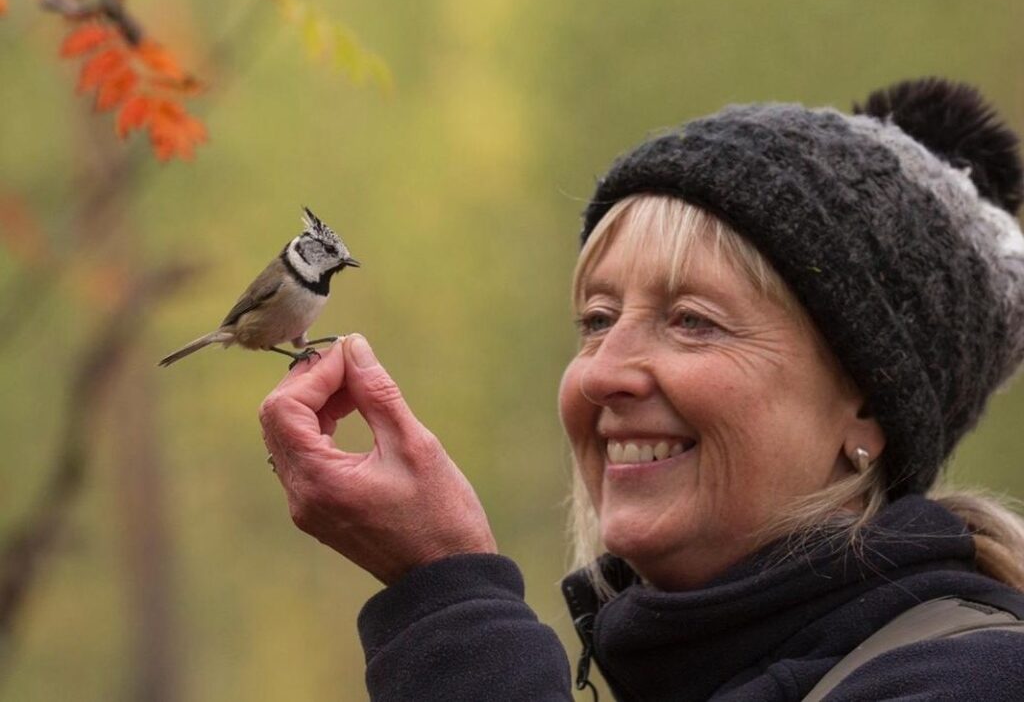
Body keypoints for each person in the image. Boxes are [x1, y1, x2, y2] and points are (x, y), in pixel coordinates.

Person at [259, 77, 1024, 700]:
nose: (599, 371)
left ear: (865, 401)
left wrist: (451, 600)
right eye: (596, 319)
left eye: (692, 320)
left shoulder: (976, 679)